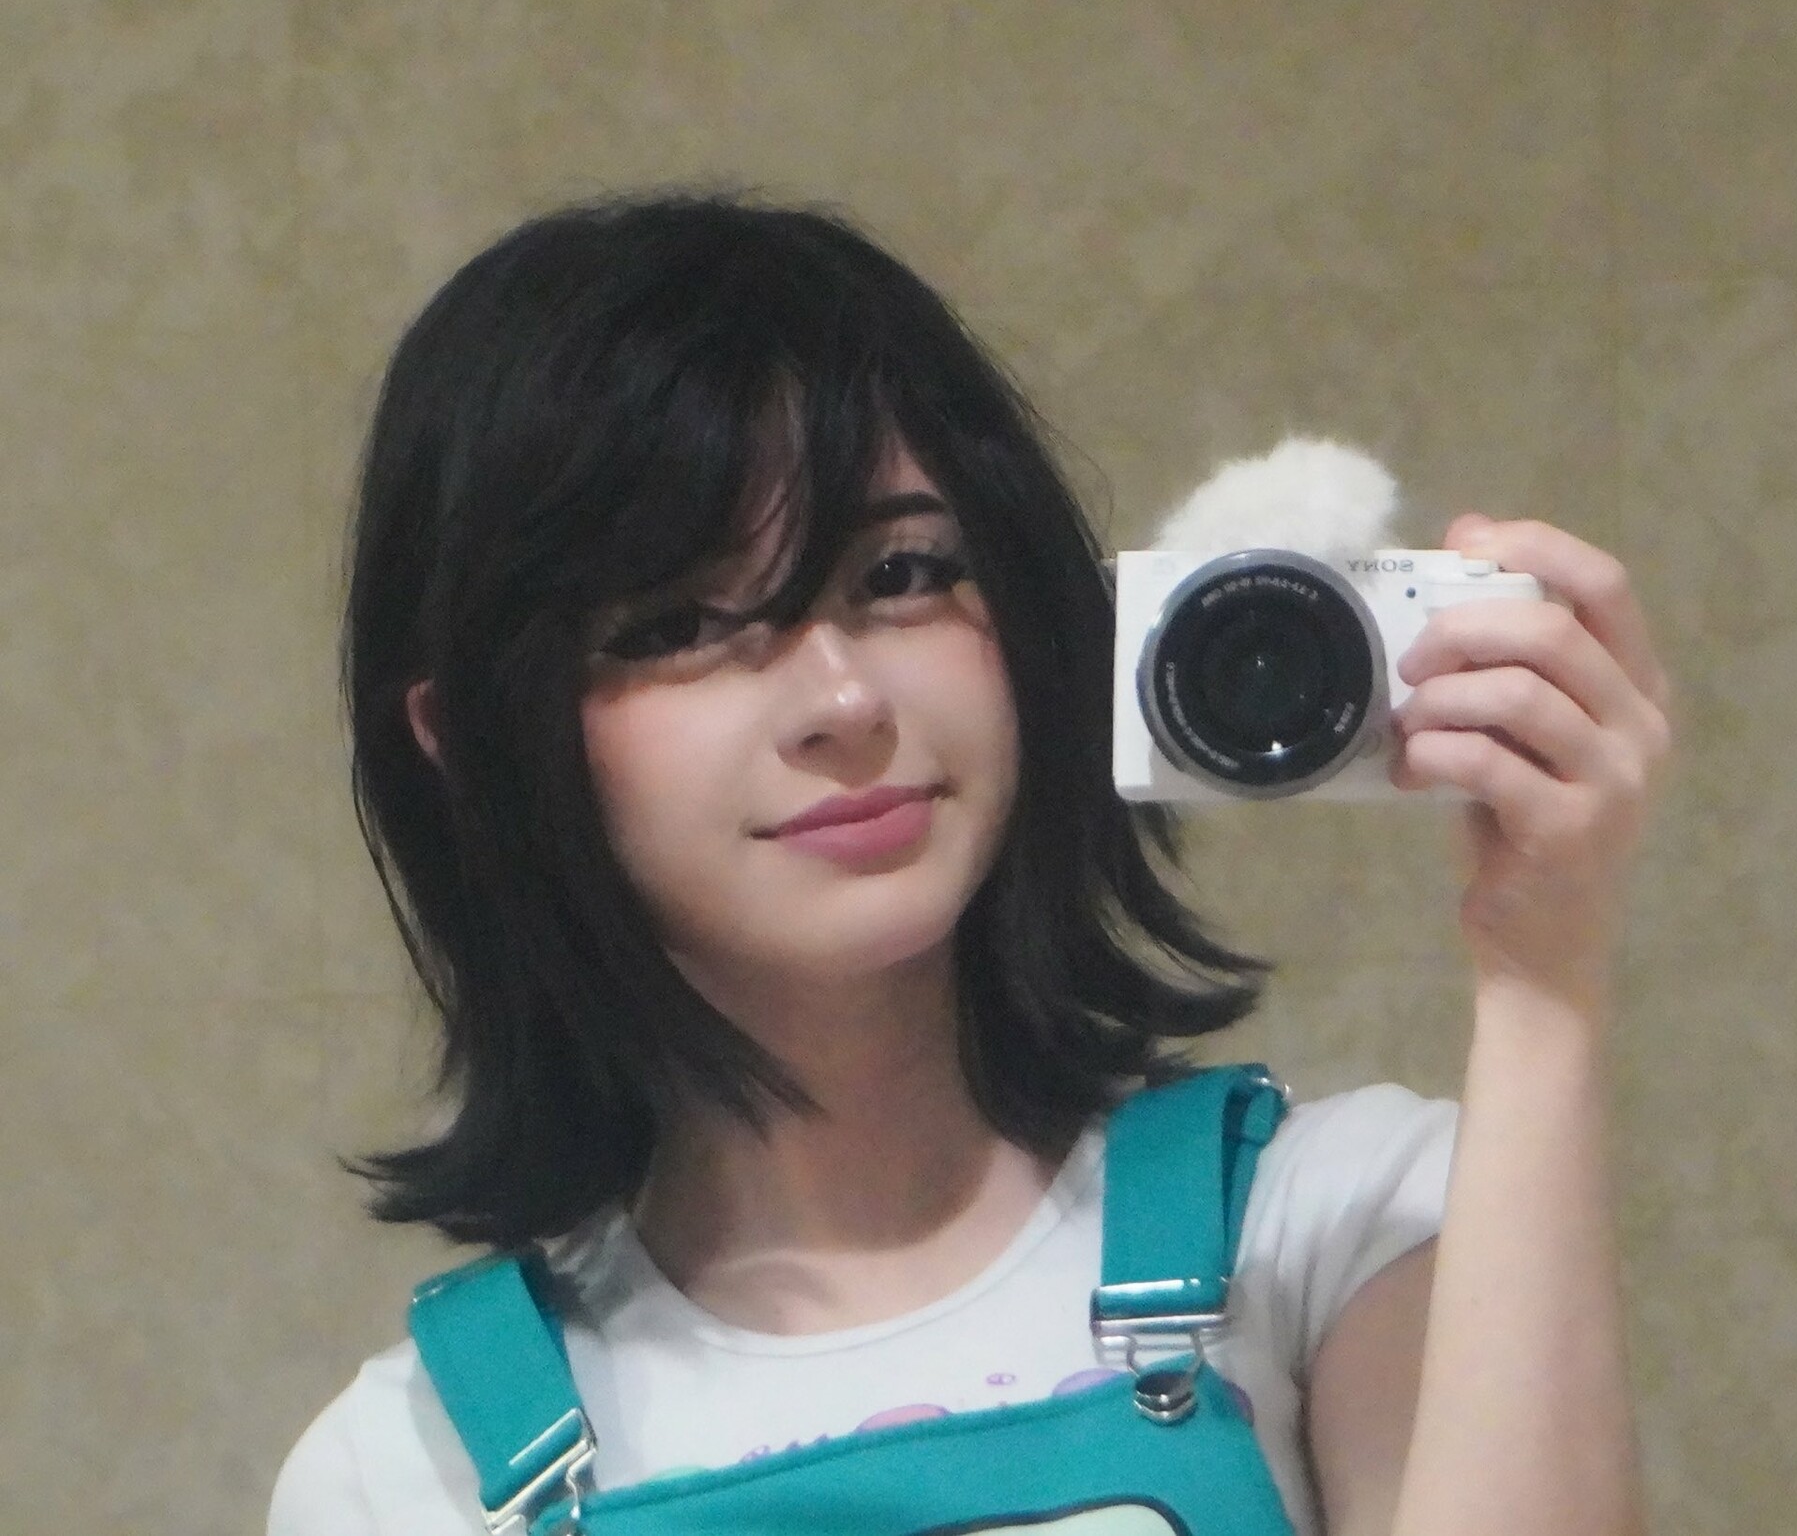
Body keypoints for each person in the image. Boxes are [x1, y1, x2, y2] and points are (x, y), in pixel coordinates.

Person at [267, 191, 1670, 1536]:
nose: (842, 700)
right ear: (473, 739)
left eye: (900, 575)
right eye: (677, 624)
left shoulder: (1333, 1227)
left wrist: (1544, 976)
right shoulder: (404, 1475)